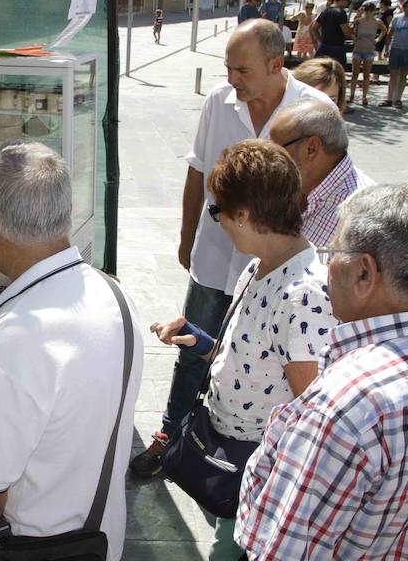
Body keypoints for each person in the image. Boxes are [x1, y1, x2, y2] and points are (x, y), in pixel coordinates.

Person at [128, 19, 333, 480]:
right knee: (198, 349)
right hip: (222, 261)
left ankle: (232, 462)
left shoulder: (313, 110)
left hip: (261, 463)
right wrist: (188, 237)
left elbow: (311, 408)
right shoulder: (218, 102)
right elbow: (197, 172)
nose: (231, 79)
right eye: (227, 68)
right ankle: (174, 437)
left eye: (241, 70)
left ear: (276, 65)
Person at [0, 142, 144, 561]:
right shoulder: (114, 294)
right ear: (67, 211)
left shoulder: (12, 343)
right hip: (101, 539)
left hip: (31, 548)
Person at [236, 184, 408, 560]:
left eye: (332, 254)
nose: (325, 269)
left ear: (364, 273)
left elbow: (286, 551)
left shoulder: (345, 403)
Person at [151, 140, 336, 560]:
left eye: (217, 211)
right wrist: (198, 340)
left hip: (258, 473)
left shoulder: (303, 296)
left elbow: (311, 411)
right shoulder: (258, 266)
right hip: (228, 455)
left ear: (244, 215)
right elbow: (252, 357)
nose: (216, 221)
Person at [269, 99, 374, 246]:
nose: (269, 157)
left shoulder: (360, 215)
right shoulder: (297, 184)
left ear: (311, 148)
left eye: (276, 149)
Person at [380, 0, 408, 108]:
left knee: (403, 75)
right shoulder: (397, 18)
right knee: (393, 75)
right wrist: (386, 48)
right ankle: (389, 99)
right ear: (404, 7)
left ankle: (398, 99)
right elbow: (390, 34)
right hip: (396, 48)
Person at [348, 2, 387, 105]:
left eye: (370, 11)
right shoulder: (359, 21)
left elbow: (384, 30)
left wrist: (378, 39)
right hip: (358, 49)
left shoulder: (377, 22)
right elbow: (350, 31)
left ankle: (364, 96)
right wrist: (354, 38)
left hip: (369, 50)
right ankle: (351, 95)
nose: (368, 13)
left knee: (366, 74)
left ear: (374, 11)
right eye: (366, 10)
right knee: (355, 73)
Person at [311, 0, 353, 68]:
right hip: (337, 48)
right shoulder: (341, 13)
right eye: (348, 2)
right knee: (336, 72)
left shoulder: (325, 11)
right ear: (343, 0)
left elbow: (314, 28)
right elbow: (347, 33)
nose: (348, 4)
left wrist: (320, 40)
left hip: (324, 46)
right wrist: (352, 28)